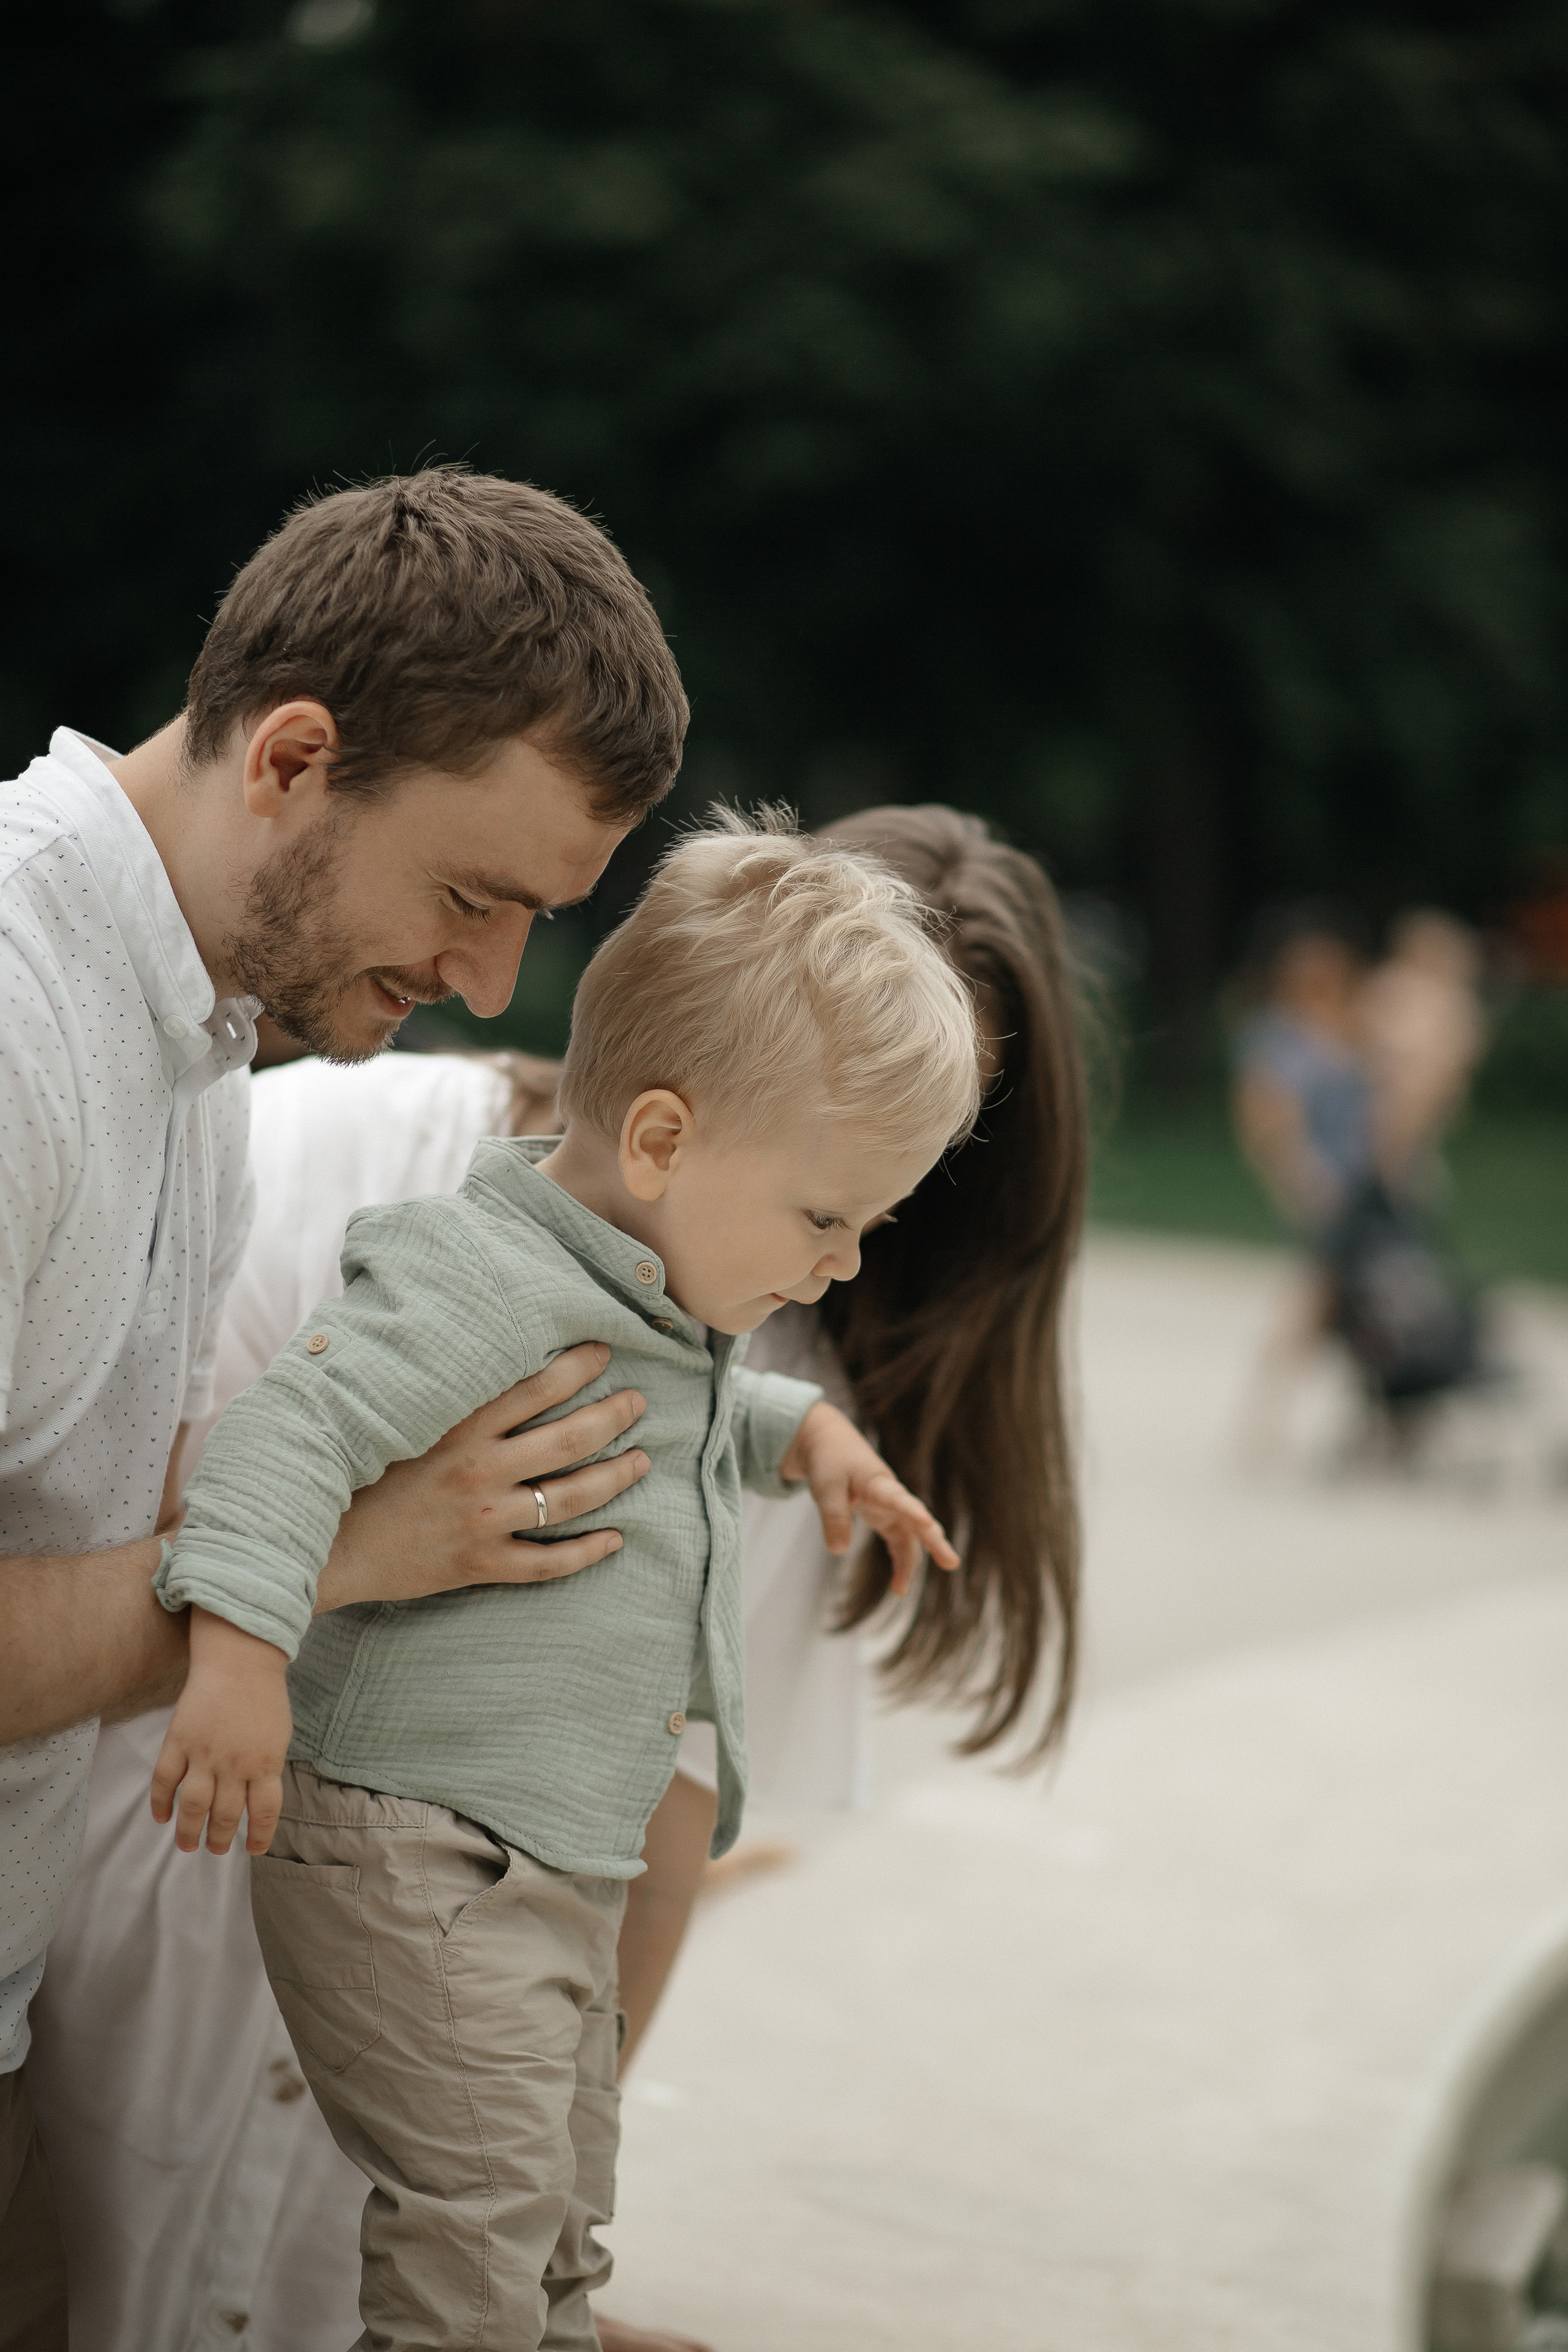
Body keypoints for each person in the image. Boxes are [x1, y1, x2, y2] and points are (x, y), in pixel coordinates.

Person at [29, 804, 1087, 2352]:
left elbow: (695, 1438)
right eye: (826, 1208)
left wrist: (809, 1444)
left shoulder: (706, 1309)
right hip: (332, 1856)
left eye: (881, 1209)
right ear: (677, 1125)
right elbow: (279, 1445)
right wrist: (248, 1661)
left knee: (538, 2225)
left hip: (519, 1895)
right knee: (442, 2242)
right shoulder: (477, 1254)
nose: (848, 1256)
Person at [0, 462, 690, 2344]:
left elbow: (74, 1526)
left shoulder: (198, 1044)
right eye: (475, 895)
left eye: (537, 921)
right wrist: (337, 1557)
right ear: (294, 759)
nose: (489, 977)